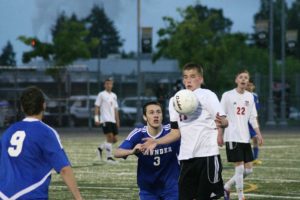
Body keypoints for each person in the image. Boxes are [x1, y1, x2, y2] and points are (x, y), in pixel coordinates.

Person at [141, 63, 228, 200]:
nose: (188, 80)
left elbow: (224, 120)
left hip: (208, 156)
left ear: (200, 79)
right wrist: (156, 141)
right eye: (185, 77)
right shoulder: (174, 101)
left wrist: (222, 125)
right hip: (186, 158)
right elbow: (176, 133)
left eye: (192, 76)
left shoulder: (207, 95)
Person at [0, 86, 82, 200]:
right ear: (44, 105)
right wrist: (79, 198)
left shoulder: (8, 132)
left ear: (22, 108)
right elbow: (64, 169)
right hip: (30, 194)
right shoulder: (45, 132)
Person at [114, 101, 180, 200]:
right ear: (145, 117)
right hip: (148, 189)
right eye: (151, 112)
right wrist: (131, 151)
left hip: (171, 187)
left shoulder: (172, 132)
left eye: (158, 112)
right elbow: (117, 152)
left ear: (162, 115)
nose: (156, 115)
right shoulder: (139, 133)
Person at [220, 70, 263, 200]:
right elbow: (221, 116)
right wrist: (219, 134)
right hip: (232, 136)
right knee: (239, 169)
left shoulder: (250, 97)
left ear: (248, 81)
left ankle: (226, 187)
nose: (243, 79)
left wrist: (258, 134)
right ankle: (241, 197)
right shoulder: (227, 95)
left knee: (248, 170)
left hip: (245, 137)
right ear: (236, 80)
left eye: (246, 78)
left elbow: (253, 118)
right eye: (241, 77)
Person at [94, 77, 120, 163]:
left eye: (110, 83)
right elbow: (97, 107)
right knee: (109, 138)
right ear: (104, 85)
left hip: (112, 120)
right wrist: (96, 118)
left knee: (115, 139)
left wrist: (117, 120)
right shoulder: (101, 94)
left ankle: (100, 148)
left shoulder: (114, 95)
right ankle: (109, 158)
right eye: (107, 83)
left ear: (112, 85)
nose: (109, 85)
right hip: (105, 119)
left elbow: (115, 109)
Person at [246, 81, 262, 165]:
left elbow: (256, 111)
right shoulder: (242, 95)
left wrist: (257, 122)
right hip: (244, 122)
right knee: (245, 141)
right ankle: (245, 158)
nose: (249, 86)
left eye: (251, 85)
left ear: (253, 86)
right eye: (248, 85)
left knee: (255, 139)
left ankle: (255, 158)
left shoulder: (255, 96)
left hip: (252, 122)